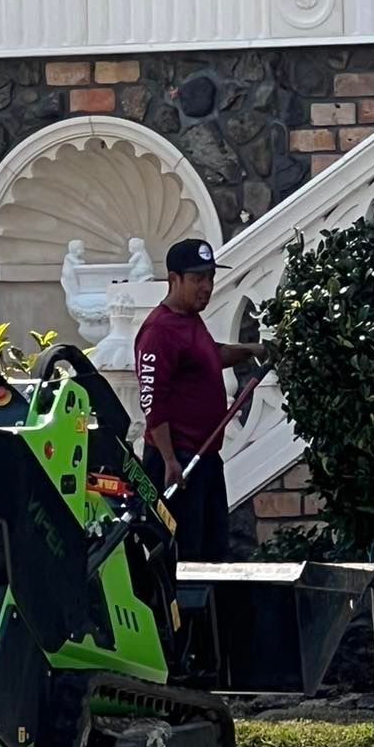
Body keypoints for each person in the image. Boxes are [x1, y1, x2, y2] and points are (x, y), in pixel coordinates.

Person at [134, 238, 261, 562]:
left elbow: (211, 355)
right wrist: (169, 460)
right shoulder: (158, 331)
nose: (206, 286)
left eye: (209, 277)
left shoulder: (190, 321)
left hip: (205, 459)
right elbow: (153, 401)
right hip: (178, 463)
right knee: (186, 559)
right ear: (173, 279)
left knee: (214, 555)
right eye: (197, 279)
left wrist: (255, 351)